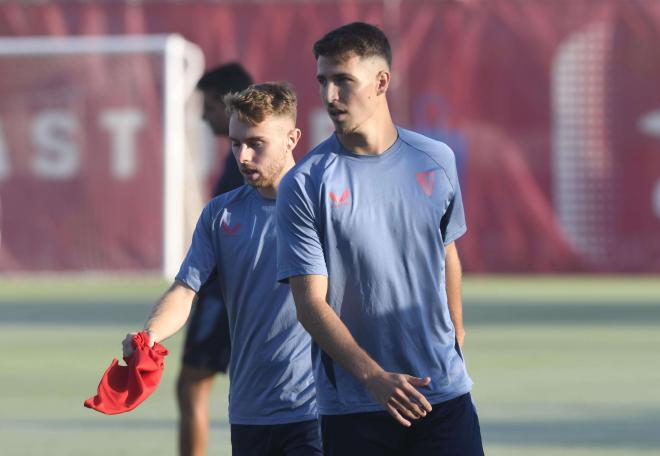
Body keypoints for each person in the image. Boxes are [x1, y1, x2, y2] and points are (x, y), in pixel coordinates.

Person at [276, 22, 484, 455]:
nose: (329, 95)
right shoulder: (304, 183)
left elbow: (446, 252)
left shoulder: (435, 160)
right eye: (323, 82)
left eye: (343, 80)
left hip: (442, 397)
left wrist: (455, 338)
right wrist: (373, 378)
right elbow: (310, 304)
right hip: (354, 408)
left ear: (381, 82)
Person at [123, 82, 321, 456]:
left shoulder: (325, 206)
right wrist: (150, 336)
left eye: (256, 143)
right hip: (249, 411)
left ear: (292, 138)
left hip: (317, 410)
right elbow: (185, 290)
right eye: (235, 143)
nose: (242, 156)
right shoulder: (220, 214)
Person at [178, 62, 252, 456]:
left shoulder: (246, 166)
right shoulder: (237, 159)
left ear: (229, 104)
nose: (204, 115)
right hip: (227, 294)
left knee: (192, 384)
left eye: (208, 106)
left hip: (225, 296)